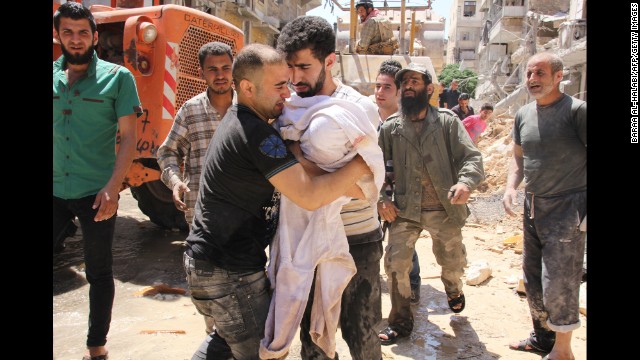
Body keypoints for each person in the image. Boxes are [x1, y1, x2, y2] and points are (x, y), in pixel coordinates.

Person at [184, 43, 372, 360]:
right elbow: (310, 196)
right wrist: (362, 163)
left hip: (209, 263)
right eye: (279, 86)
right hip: (229, 271)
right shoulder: (255, 132)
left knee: (224, 343)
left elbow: (308, 174)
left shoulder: (244, 121)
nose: (287, 94)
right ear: (247, 87)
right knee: (268, 353)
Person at [275, 16, 384, 360]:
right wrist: (313, 173)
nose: (295, 78)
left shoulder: (357, 109)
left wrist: (299, 162)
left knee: (362, 335)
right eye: (290, 67)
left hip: (358, 237)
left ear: (330, 61)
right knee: (314, 341)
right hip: (304, 241)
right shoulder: (286, 107)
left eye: (304, 67)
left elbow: (366, 185)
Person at [53, 3, 142, 359]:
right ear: (58, 35)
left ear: (93, 36)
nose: (76, 39)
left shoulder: (118, 78)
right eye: (68, 32)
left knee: (99, 273)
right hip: (55, 188)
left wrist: (113, 188)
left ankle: (96, 347)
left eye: (83, 32)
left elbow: (129, 138)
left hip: (96, 192)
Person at [377, 62, 484, 346]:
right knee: (396, 264)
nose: (409, 86)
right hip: (405, 210)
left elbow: (472, 158)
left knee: (452, 261)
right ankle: (400, 322)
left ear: (429, 88)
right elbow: (375, 170)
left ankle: (453, 289)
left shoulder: (448, 122)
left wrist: (465, 182)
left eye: (415, 81)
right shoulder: (390, 128)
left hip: (444, 208)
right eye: (405, 82)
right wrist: (382, 198)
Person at [502, 52, 586, 360]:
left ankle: (563, 351)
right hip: (534, 206)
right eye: (528, 74)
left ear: (558, 76)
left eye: (540, 73)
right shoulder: (524, 114)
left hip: (569, 207)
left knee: (560, 280)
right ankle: (542, 339)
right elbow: (518, 156)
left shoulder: (577, 111)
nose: (533, 79)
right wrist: (511, 186)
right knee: (533, 276)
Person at [156, 41, 236, 336]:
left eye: (226, 68)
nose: (220, 75)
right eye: (213, 69)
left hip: (243, 213)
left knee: (241, 277)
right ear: (202, 72)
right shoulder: (189, 111)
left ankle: (237, 337)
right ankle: (214, 335)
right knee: (205, 279)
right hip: (200, 213)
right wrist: (175, 181)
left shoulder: (248, 109)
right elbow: (166, 153)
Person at [373, 59, 422, 305]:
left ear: (400, 91)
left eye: (387, 88)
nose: (379, 93)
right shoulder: (368, 120)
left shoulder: (411, 124)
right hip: (373, 196)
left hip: (401, 199)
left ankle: (410, 293)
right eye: (377, 86)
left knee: (405, 248)